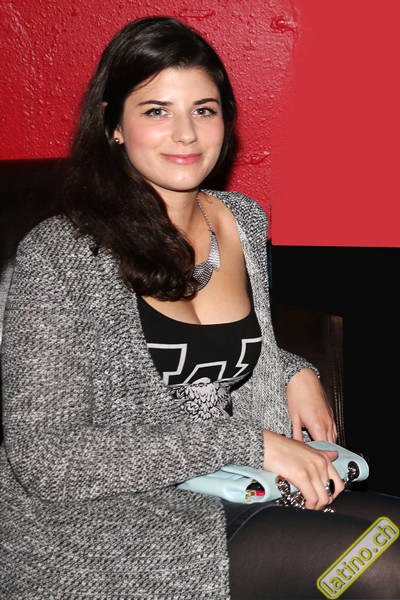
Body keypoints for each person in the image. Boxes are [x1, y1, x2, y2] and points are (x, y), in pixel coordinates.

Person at [0, 16, 399, 599]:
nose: (185, 134)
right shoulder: (60, 253)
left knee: (391, 532)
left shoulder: (241, 220)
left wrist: (294, 371)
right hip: (102, 526)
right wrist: (251, 443)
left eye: (203, 110)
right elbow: (48, 459)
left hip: (233, 489)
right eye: (156, 110)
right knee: (384, 566)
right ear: (114, 125)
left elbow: (221, 347)